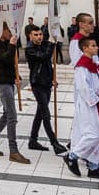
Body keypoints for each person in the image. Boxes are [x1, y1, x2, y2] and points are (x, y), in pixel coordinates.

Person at [62, 37, 99, 181]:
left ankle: (93, 166)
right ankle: (72, 156)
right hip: (87, 105)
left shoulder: (93, 65)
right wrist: (98, 101)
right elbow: (84, 87)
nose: (96, 48)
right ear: (85, 48)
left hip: (95, 104)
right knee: (93, 135)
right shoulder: (82, 66)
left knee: (98, 136)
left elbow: (96, 84)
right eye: (93, 45)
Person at [0, 24, 29, 164]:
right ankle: (13, 151)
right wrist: (12, 45)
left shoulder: (5, 43)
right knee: (12, 116)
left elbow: (11, 62)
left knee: (7, 114)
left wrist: (16, 76)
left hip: (7, 80)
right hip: (1, 82)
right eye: (9, 31)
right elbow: (7, 58)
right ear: (2, 31)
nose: (11, 34)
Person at [24, 25, 66, 154]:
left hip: (47, 82)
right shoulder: (29, 49)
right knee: (45, 114)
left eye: (40, 34)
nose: (39, 37)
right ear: (30, 36)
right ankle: (55, 143)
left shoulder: (44, 45)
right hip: (37, 83)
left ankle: (33, 140)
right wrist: (52, 45)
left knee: (40, 113)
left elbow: (48, 64)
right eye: (35, 35)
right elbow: (43, 57)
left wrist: (53, 78)